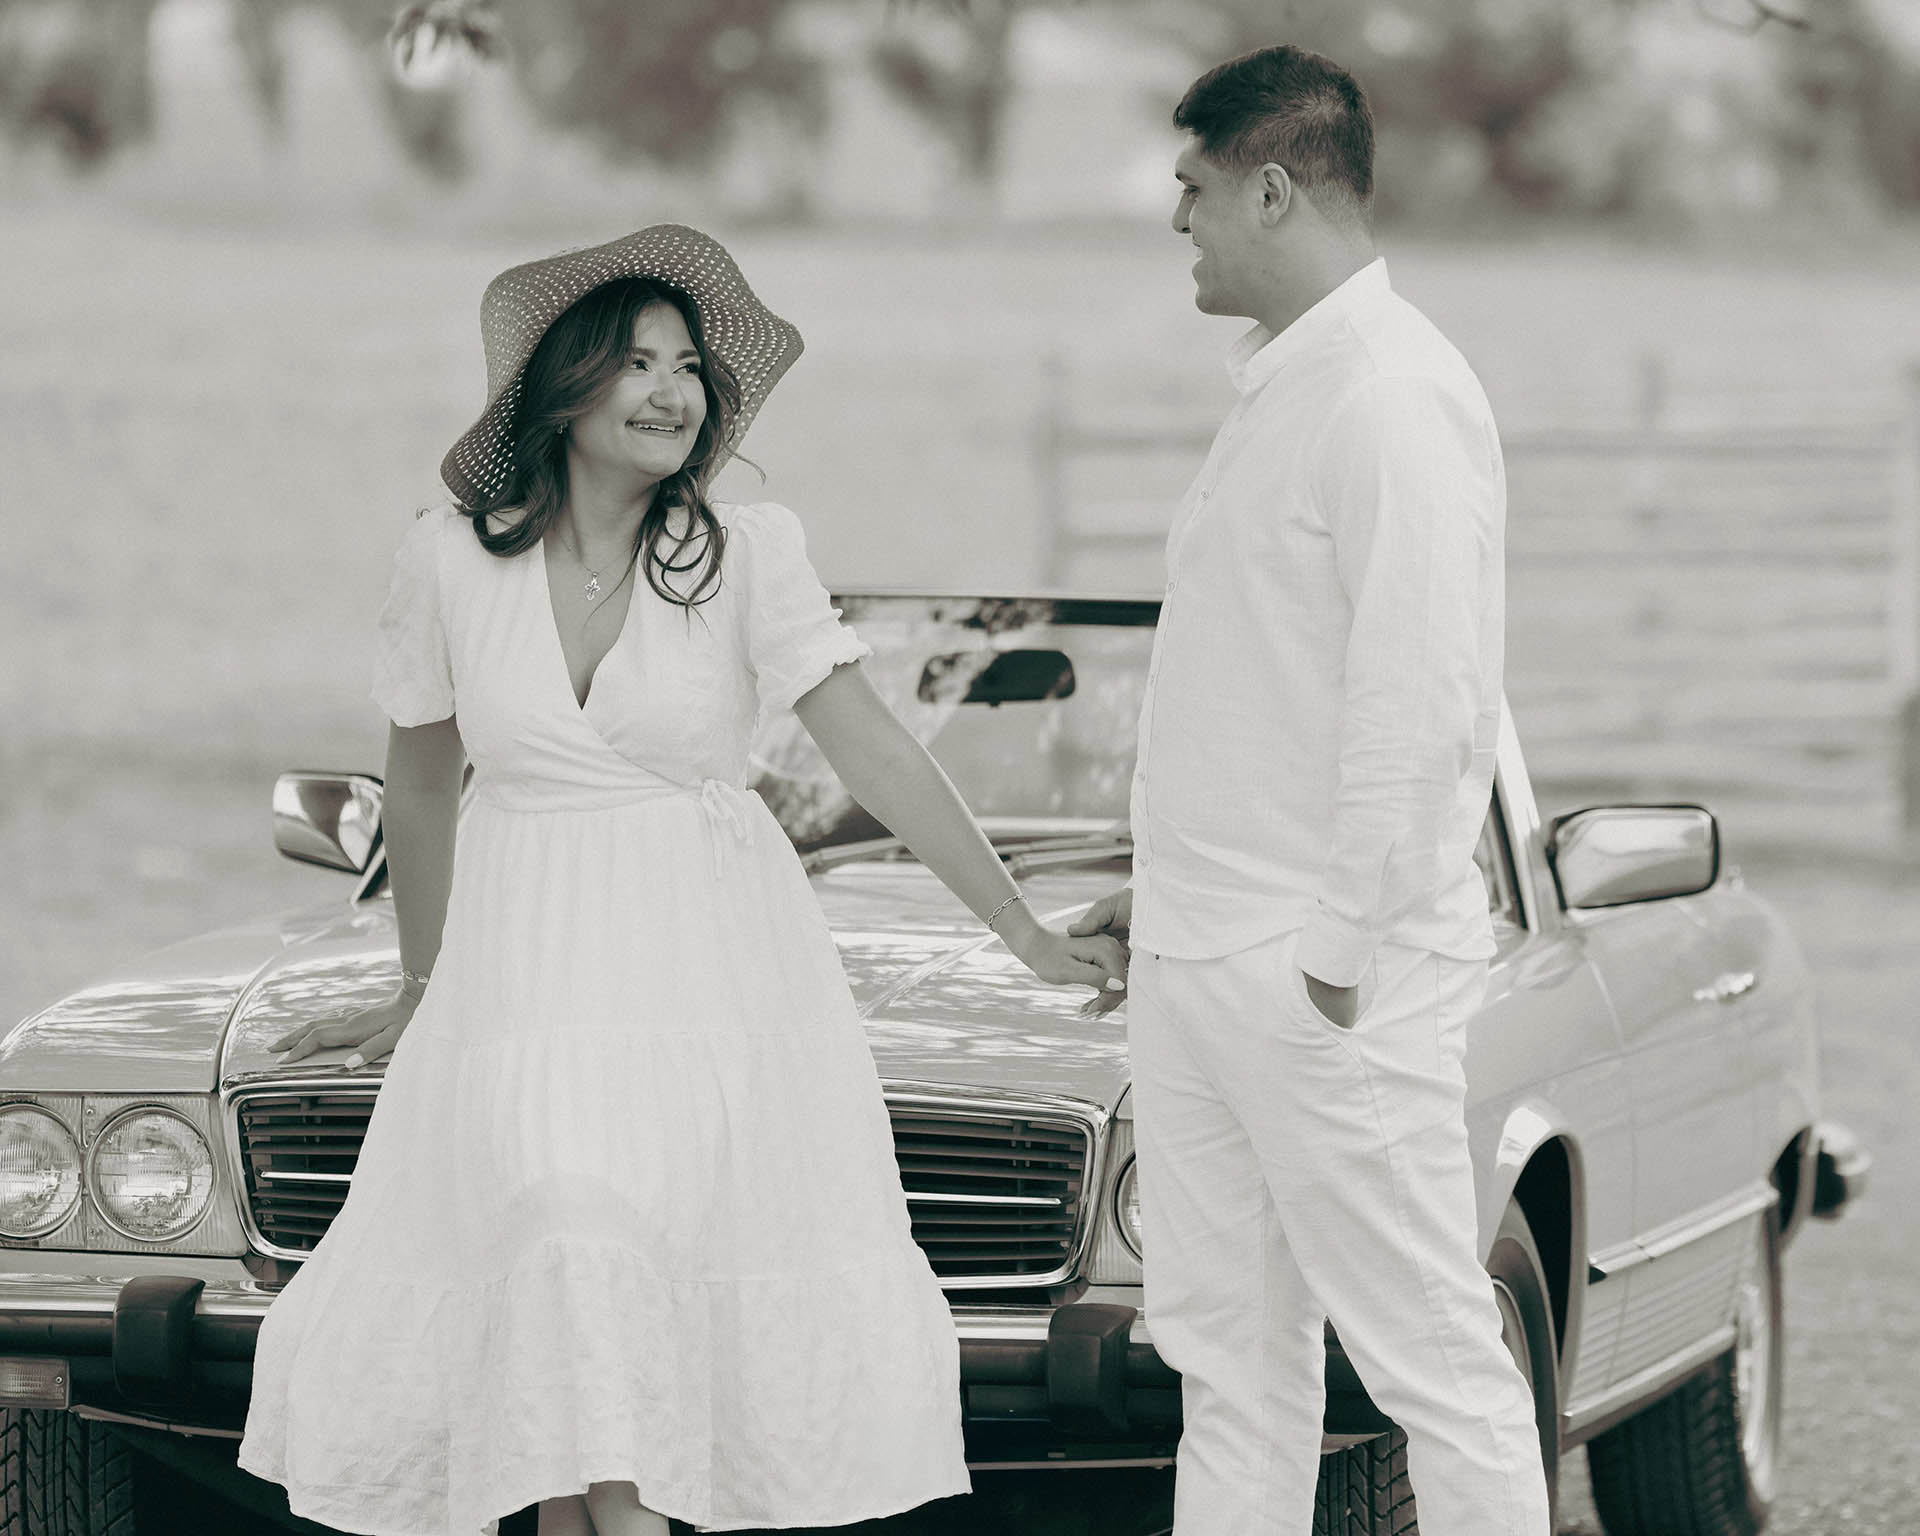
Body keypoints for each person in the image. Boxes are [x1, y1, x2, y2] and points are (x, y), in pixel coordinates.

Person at [234, 224, 1129, 1536]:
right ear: (563, 391)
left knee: (603, 1276)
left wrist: (1026, 933)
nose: (673, 392)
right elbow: (420, 786)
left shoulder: (747, 551)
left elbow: (875, 748)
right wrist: (420, 989)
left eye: (690, 368)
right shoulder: (449, 559)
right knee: (557, 1250)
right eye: (639, 364)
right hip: (520, 972)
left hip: (700, 970)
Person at [1069, 46, 1552, 1536]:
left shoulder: (1395, 395)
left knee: (1430, 1362)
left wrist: (1337, 957)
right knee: (1227, 1368)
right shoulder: (1288, 386)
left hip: (1330, 977)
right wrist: (1163, 895)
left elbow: (1424, 696)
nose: (1178, 220)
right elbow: (1267, 689)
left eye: (1195, 188)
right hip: (1201, 956)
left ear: (1272, 187)